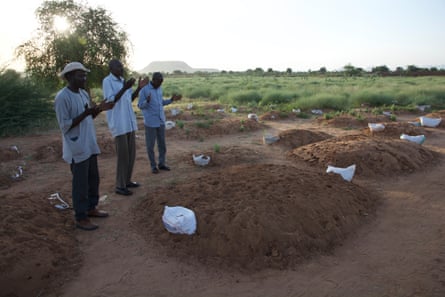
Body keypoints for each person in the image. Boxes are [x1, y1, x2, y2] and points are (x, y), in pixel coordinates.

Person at [54, 62, 113, 231]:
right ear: (69, 77)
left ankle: (91, 207)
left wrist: (99, 109)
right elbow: (65, 125)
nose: (84, 78)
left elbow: (89, 117)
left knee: (93, 178)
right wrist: (86, 113)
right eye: (81, 75)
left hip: (89, 143)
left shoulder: (82, 93)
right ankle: (81, 217)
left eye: (85, 75)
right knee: (80, 184)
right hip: (76, 146)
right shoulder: (62, 98)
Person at [102, 59, 149, 196]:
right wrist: (124, 88)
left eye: (122, 66)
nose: (121, 69)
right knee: (123, 156)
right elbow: (111, 101)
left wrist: (138, 88)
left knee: (131, 155)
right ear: (111, 68)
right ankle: (120, 185)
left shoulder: (123, 80)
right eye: (118, 67)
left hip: (128, 123)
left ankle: (127, 181)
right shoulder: (108, 81)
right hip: (119, 123)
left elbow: (129, 99)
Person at [138, 72, 182, 173]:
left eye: (162, 82)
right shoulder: (145, 90)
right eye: (159, 82)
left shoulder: (159, 89)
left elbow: (160, 103)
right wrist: (147, 102)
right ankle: (153, 166)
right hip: (150, 122)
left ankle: (161, 164)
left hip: (161, 121)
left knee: (162, 145)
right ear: (153, 80)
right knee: (150, 145)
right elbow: (140, 105)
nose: (160, 84)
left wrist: (171, 100)